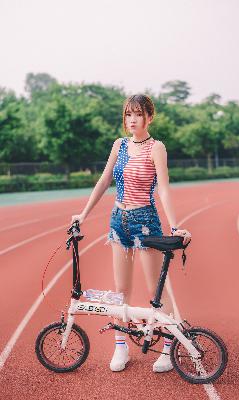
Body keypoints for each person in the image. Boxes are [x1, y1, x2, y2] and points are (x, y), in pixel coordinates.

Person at [71, 94, 191, 373]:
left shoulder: (156, 148)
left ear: (149, 117)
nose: (132, 120)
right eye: (128, 114)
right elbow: (104, 181)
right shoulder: (120, 145)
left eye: (138, 114)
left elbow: (163, 189)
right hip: (118, 221)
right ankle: (121, 346)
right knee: (121, 291)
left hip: (145, 221)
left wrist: (174, 225)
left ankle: (168, 346)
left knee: (155, 292)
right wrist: (83, 213)